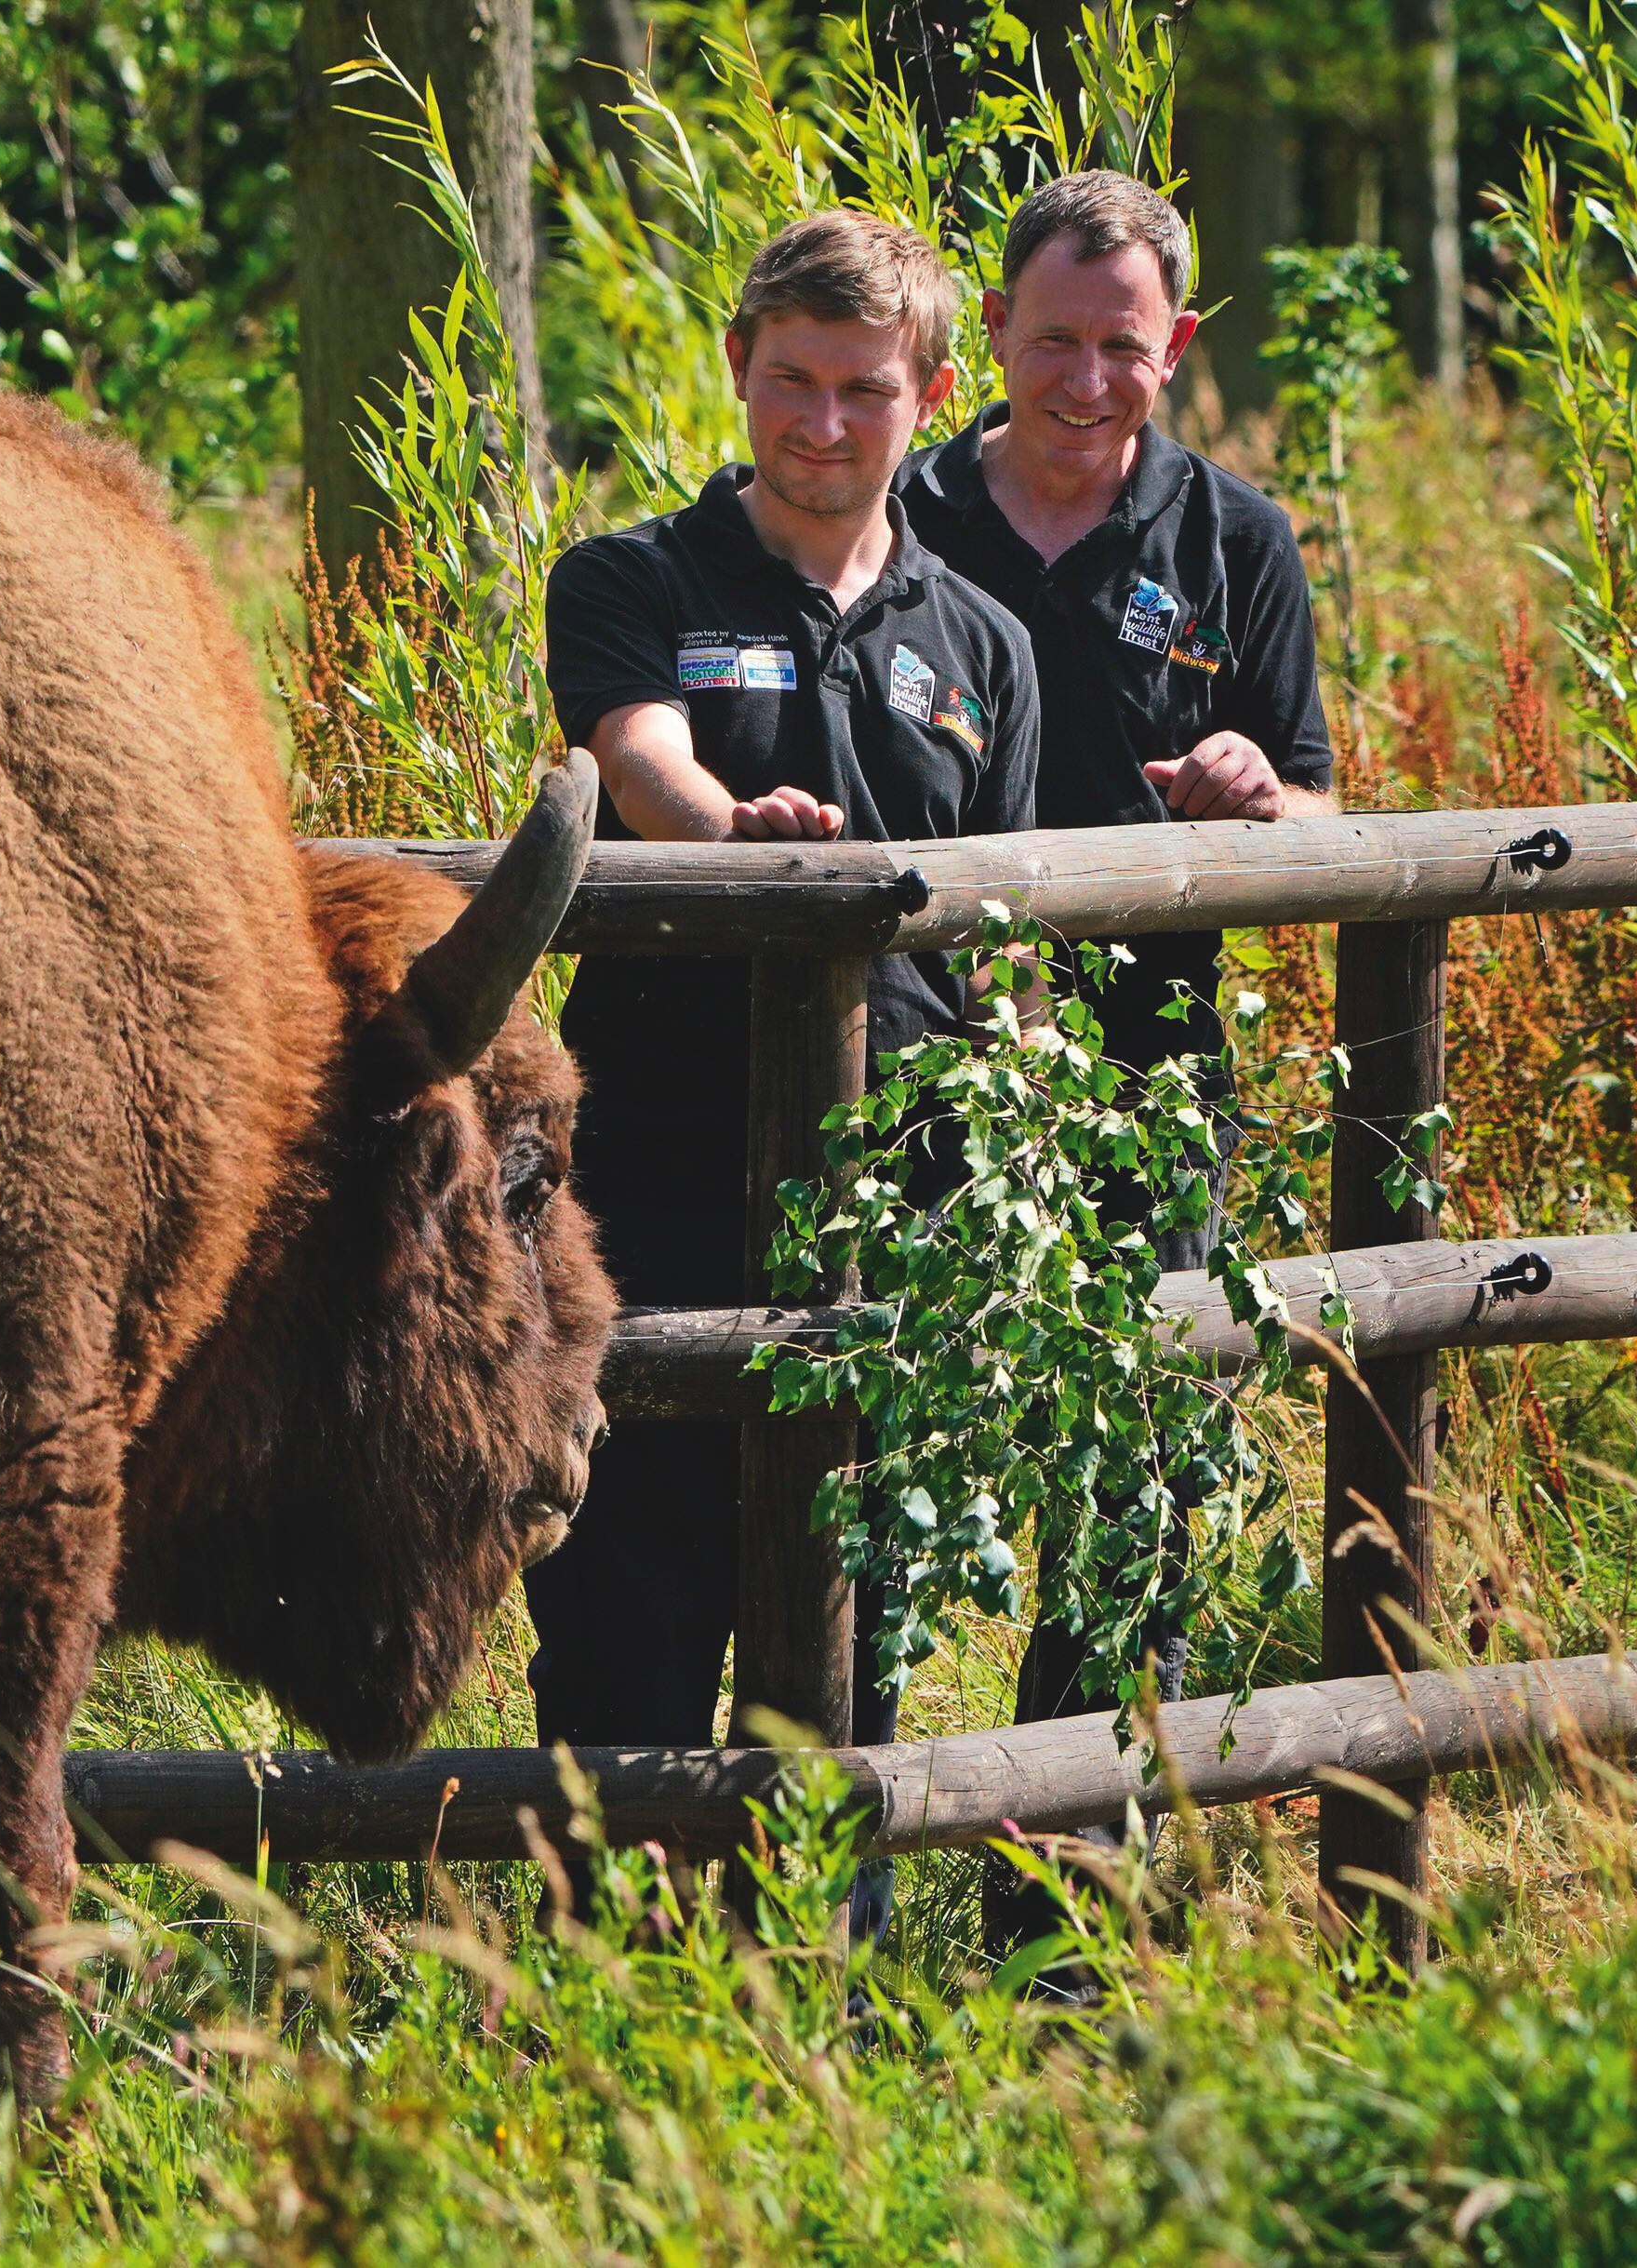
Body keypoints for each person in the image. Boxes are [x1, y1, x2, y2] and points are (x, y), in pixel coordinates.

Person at [522, 213, 1040, 1827]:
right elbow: (634, 757)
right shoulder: (634, 577)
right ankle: (613, 1994)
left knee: (850, 1638)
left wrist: (1026, 1129)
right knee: (627, 1620)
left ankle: (824, 1993)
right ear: (740, 363)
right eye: (792, 381)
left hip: (898, 1208)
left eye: (865, 391)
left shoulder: (987, 645)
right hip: (655, 1193)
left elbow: (1006, 936)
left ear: (934, 392)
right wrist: (729, 836)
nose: (822, 424)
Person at [893, 169, 1338, 1961]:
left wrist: (1264, 802)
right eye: (1055, 341)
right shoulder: (899, 510)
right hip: (921, 1074)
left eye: (1125, 350)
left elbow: (1324, 808)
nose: (1086, 382)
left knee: (1129, 1499)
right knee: (866, 1461)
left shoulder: (1238, 544)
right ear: (989, 331)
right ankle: (811, 1886)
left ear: (1183, 348)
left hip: (1153, 1083)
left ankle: (1055, 1923)